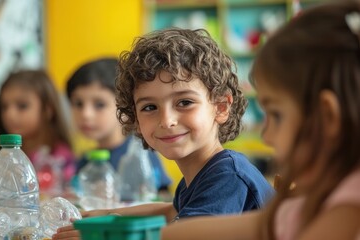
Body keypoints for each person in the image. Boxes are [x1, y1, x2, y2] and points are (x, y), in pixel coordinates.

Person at [160, 1, 360, 239]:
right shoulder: (312, 204)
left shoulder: (349, 206)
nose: (267, 135)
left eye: (276, 115)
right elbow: (179, 232)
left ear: (328, 116)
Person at [53, 28, 274, 239]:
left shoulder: (227, 175)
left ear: (221, 107)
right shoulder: (200, 174)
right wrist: (107, 215)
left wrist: (111, 234)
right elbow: (170, 211)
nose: (167, 121)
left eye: (185, 102)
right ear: (136, 119)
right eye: (149, 107)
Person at [65, 57, 172, 192]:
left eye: (99, 104)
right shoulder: (86, 161)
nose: (86, 114)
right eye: (78, 104)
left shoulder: (140, 155)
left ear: (126, 108)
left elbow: (163, 197)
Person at [0, 69, 76, 193]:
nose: (9, 114)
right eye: (4, 106)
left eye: (22, 106)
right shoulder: (1, 155)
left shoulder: (61, 158)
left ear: (48, 110)